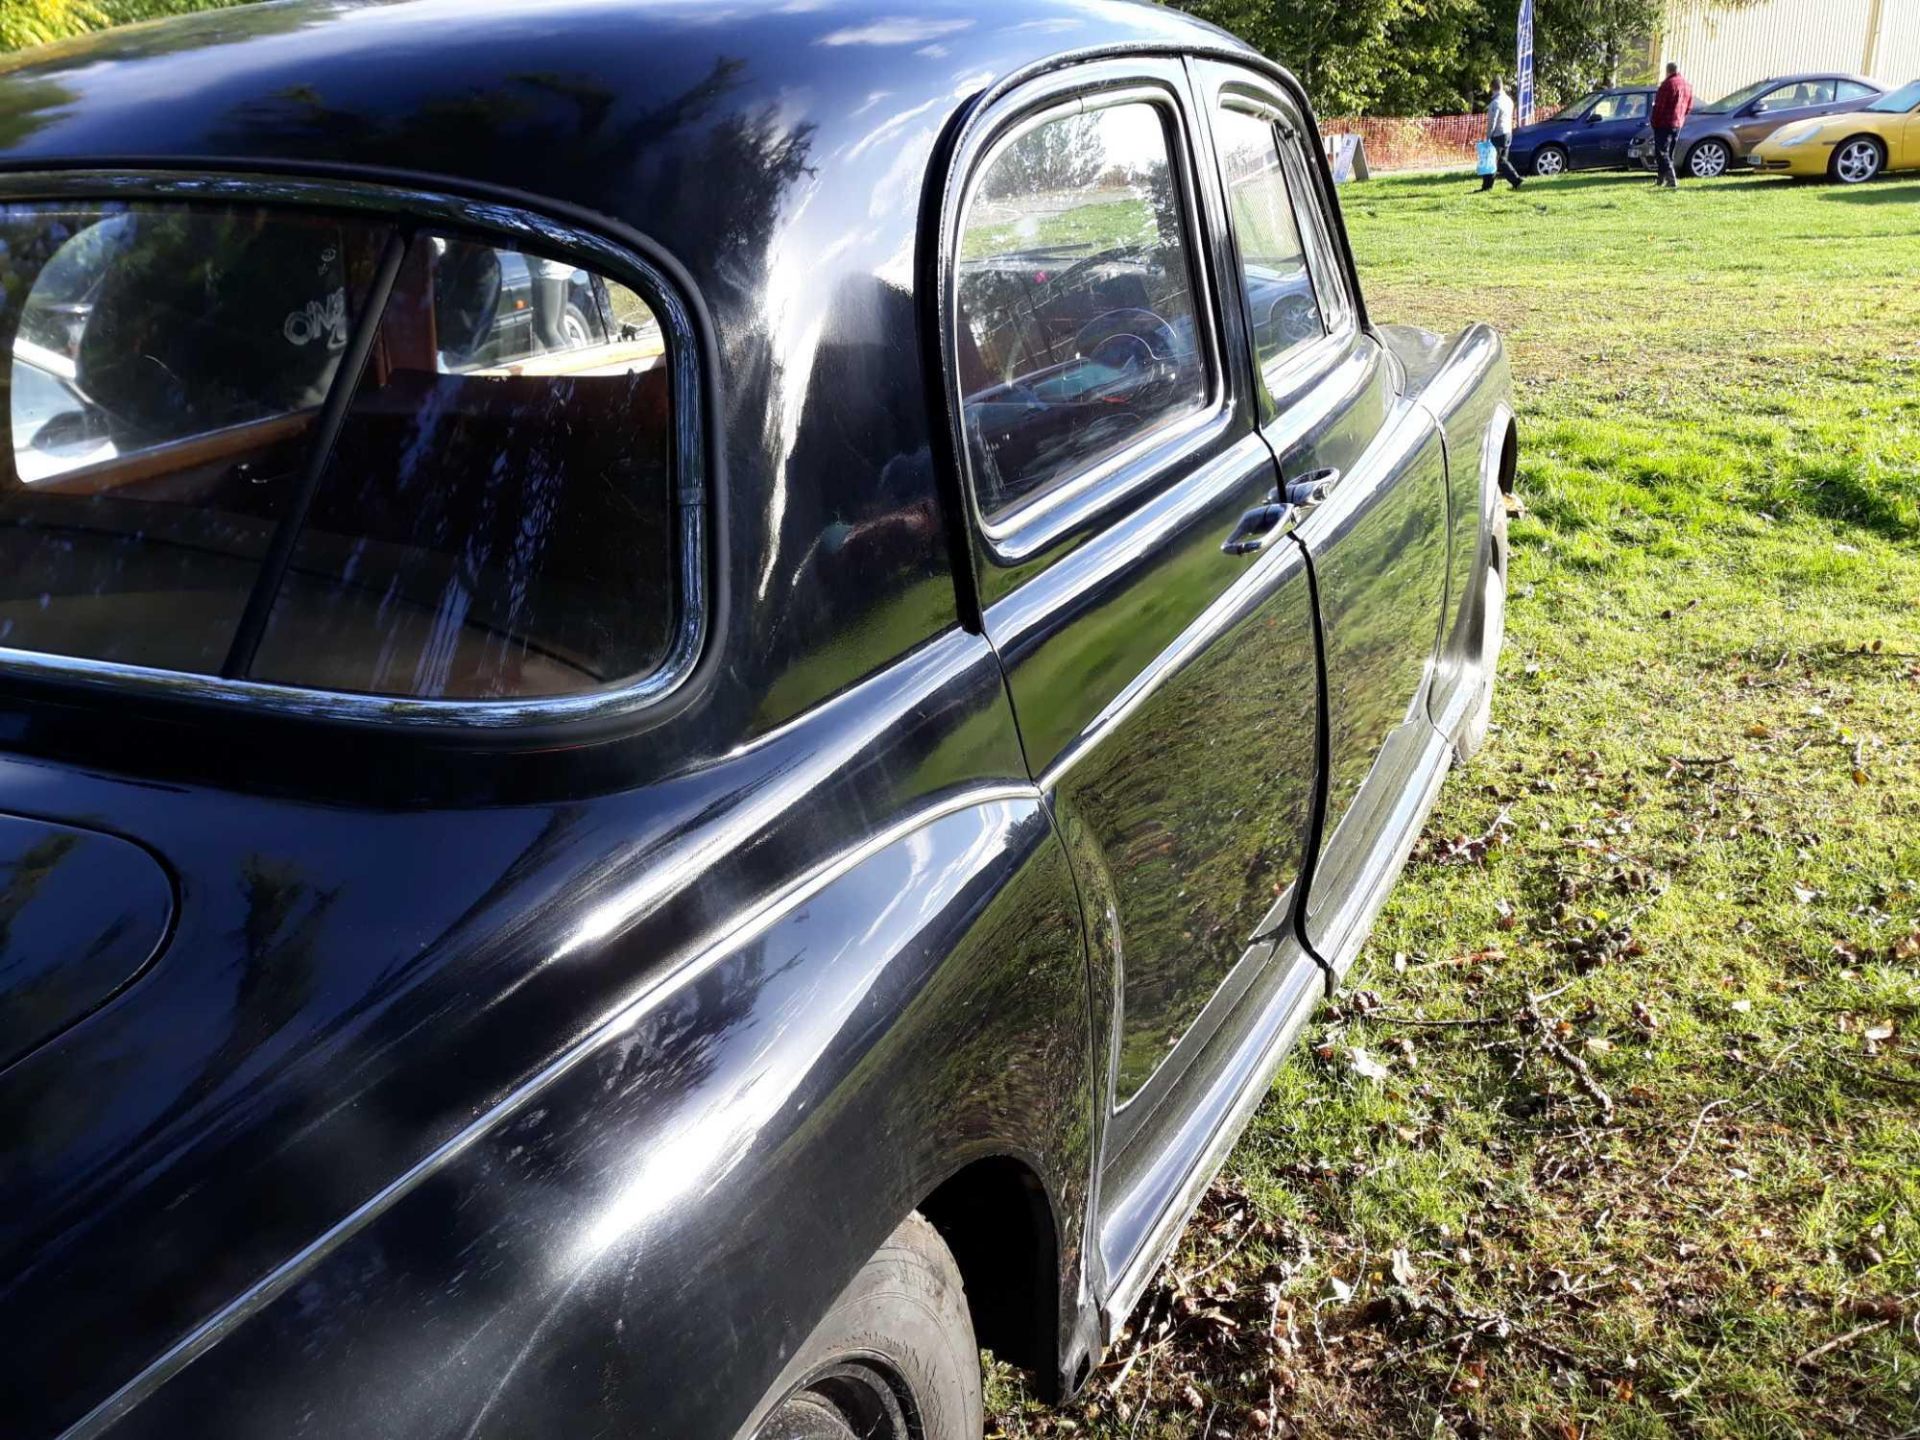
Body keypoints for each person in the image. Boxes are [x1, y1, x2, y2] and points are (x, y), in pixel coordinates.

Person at [1650, 61, 1694, 188]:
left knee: (1661, 152)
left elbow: (1659, 107)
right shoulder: (1687, 85)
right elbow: (1689, 107)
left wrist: (1654, 122)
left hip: (1664, 123)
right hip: (1678, 123)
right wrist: (1681, 118)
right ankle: (1661, 179)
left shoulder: (1667, 85)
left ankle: (1671, 178)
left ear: (1668, 71)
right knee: (1669, 153)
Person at [1480, 77, 1524, 192]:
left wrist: (1488, 137)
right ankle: (1514, 181)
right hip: (1508, 133)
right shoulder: (1508, 100)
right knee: (1502, 160)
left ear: (1492, 88)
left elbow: (1492, 122)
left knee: (1493, 161)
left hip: (1498, 135)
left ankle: (1489, 186)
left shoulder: (1495, 103)